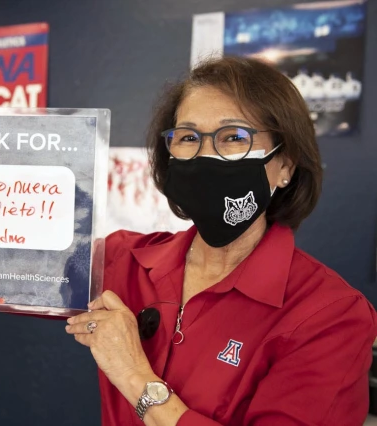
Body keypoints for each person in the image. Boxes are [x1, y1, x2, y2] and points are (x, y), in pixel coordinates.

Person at [64, 57, 377, 425]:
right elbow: (6, 263)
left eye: (234, 137)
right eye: (189, 137)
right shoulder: (121, 259)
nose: (205, 156)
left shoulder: (331, 315)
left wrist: (135, 377)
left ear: (286, 165)